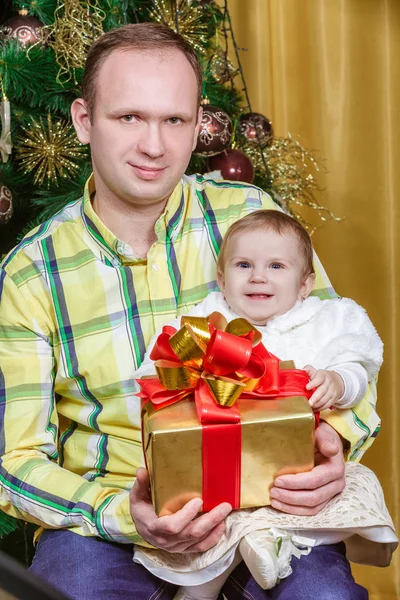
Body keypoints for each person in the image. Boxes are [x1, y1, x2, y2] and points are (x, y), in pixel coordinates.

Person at [0, 22, 381, 600]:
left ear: (196, 122)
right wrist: (120, 514)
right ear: (83, 121)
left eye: (174, 120)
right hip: (111, 516)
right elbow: (16, 458)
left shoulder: (252, 214)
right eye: (129, 117)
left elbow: (338, 343)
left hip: (267, 501)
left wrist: (336, 441)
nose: (154, 145)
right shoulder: (32, 273)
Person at [134, 210, 397, 600]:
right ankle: (200, 587)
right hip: (224, 469)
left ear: (305, 284)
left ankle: (268, 548)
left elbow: (359, 361)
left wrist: (338, 381)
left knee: (322, 504)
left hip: (295, 473)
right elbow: (159, 373)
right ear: (223, 279)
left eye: (276, 265)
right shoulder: (208, 322)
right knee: (215, 524)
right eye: (244, 265)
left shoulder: (327, 319)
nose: (258, 276)